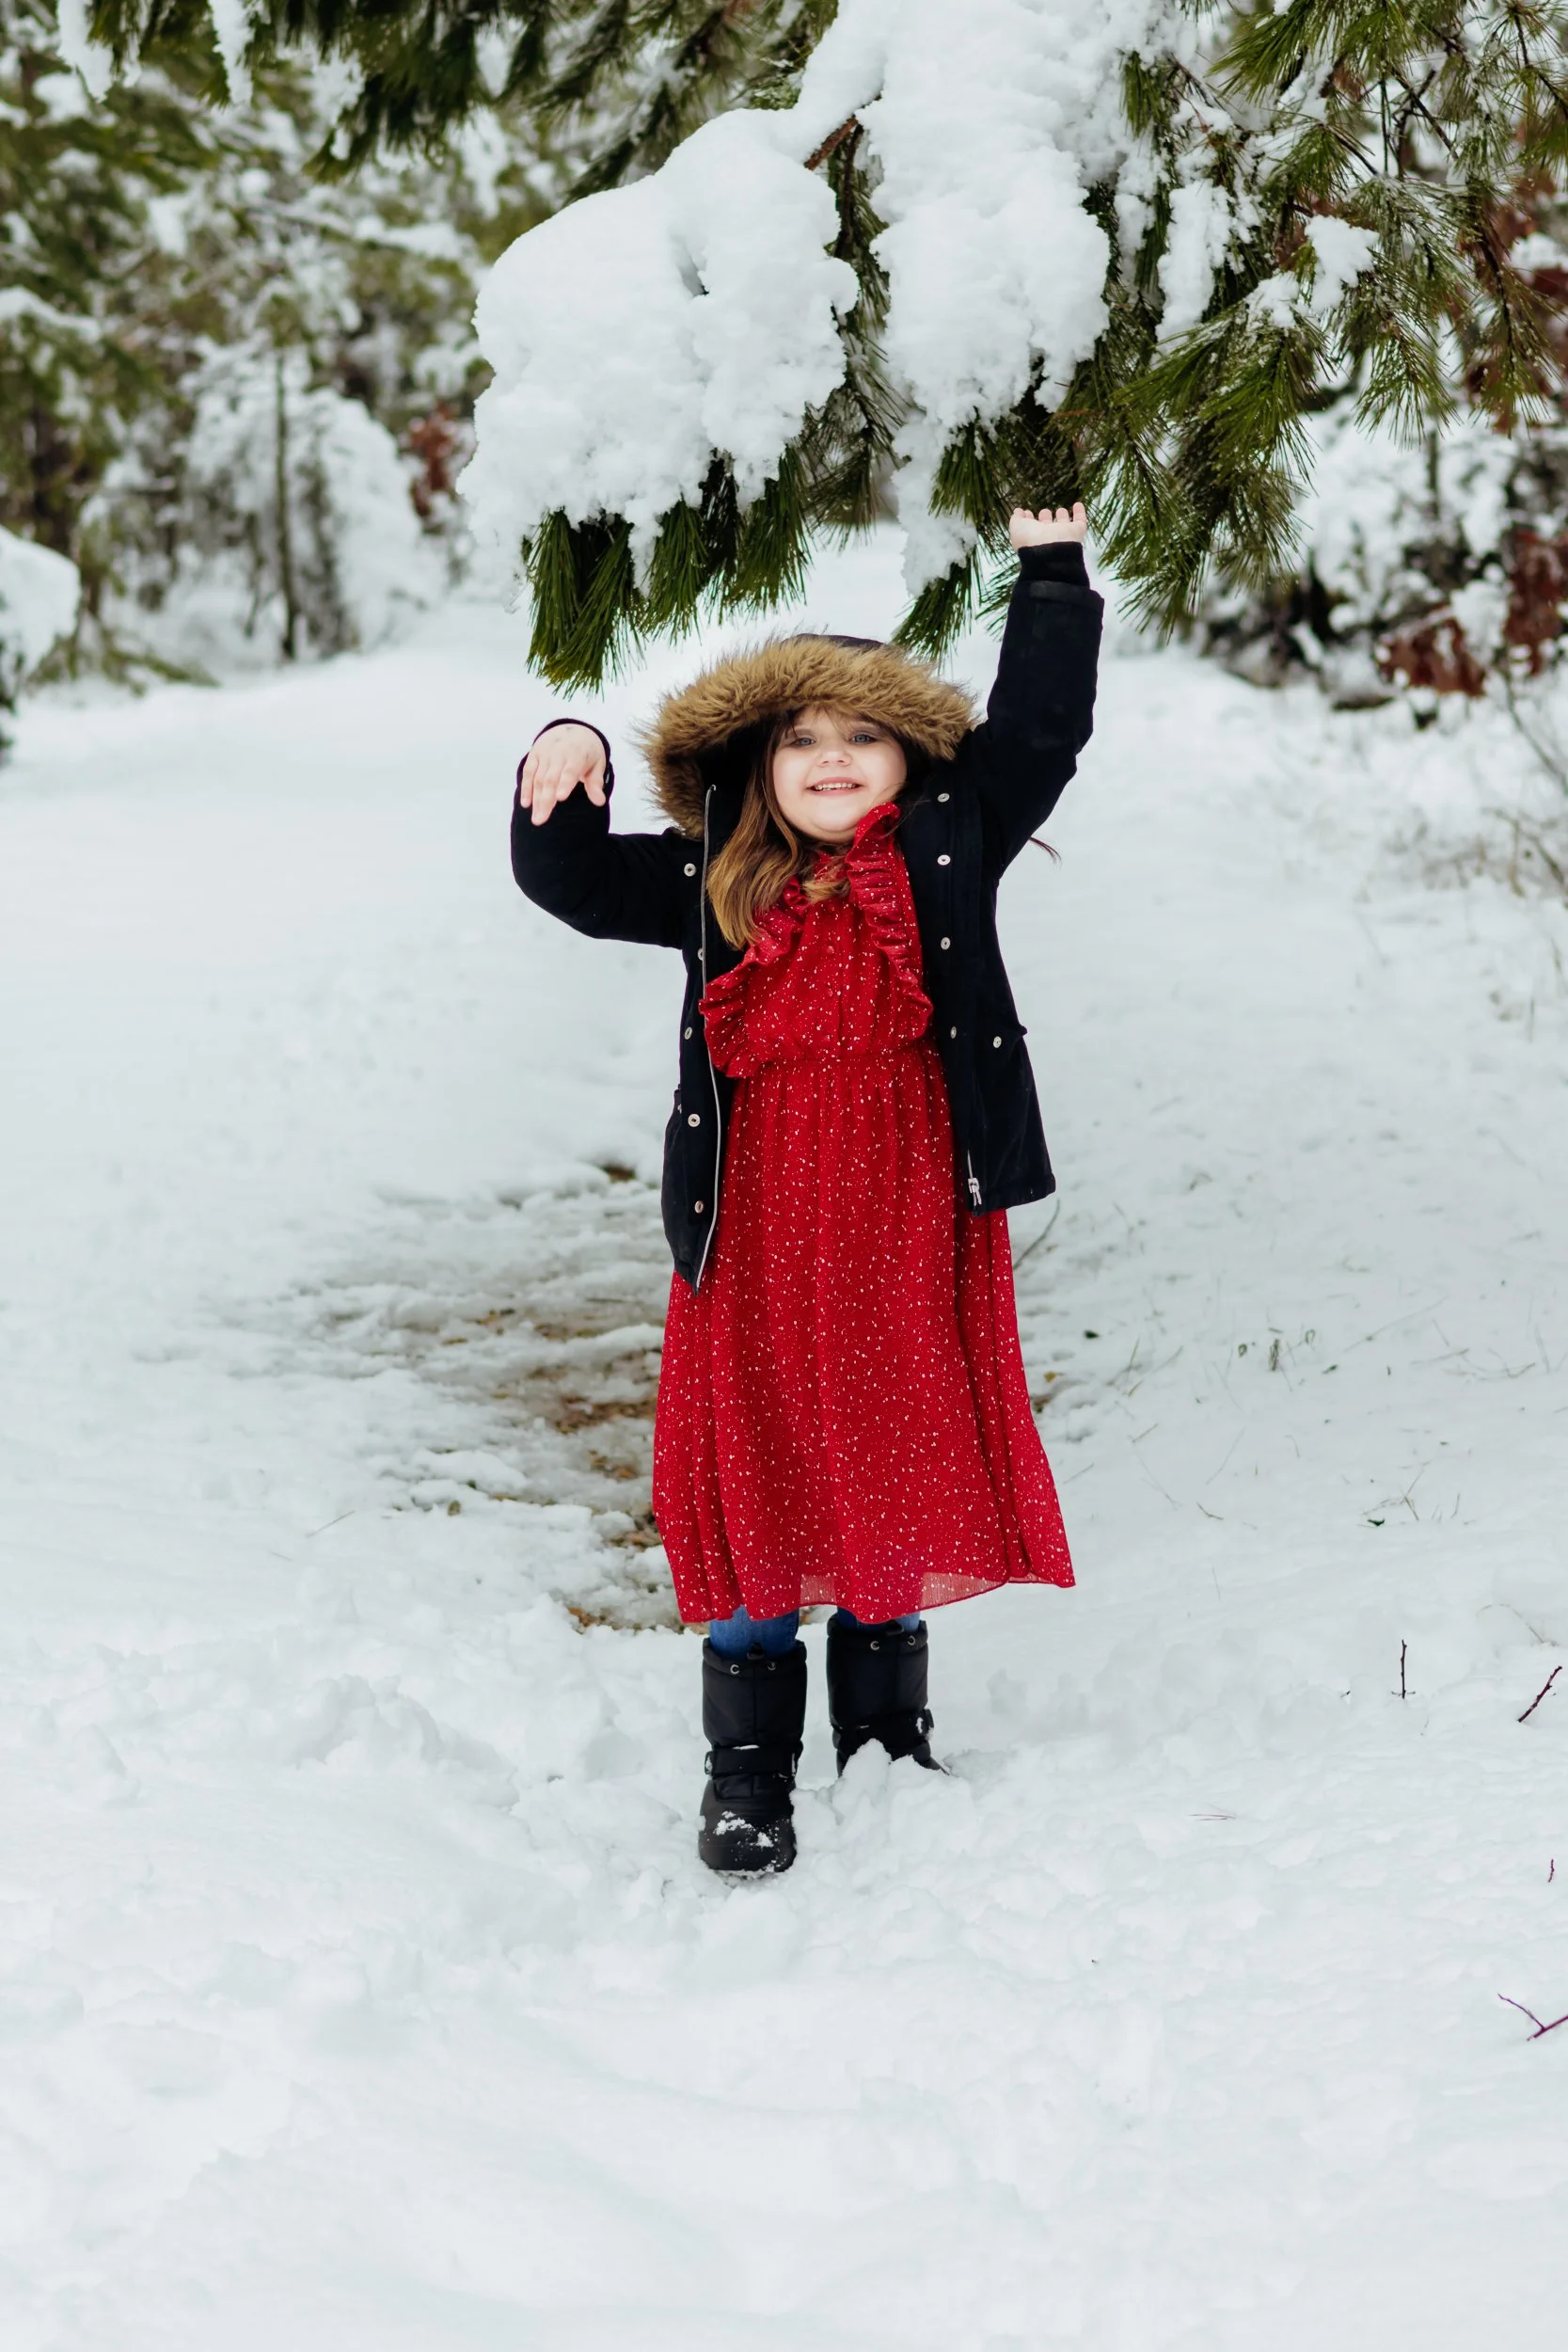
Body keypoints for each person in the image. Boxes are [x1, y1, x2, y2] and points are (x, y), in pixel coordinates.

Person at [512, 505, 1103, 1875]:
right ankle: (745, 1772)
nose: (831, 761)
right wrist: (570, 744)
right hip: (757, 1239)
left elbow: (1043, 729)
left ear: (907, 760)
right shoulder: (707, 888)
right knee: (760, 1469)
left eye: (861, 738)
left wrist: (1051, 573)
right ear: (750, 770)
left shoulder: (949, 854)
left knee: (892, 1443)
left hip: (907, 1221)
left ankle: (887, 1739)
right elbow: (564, 876)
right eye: (800, 742)